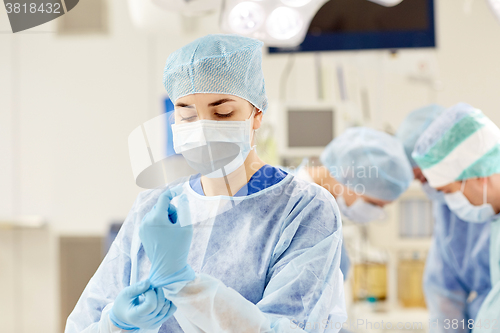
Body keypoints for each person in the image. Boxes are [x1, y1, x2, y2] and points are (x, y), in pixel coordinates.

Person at [65, 34, 347, 333]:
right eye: (186, 114)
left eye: (222, 112)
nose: (202, 128)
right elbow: (84, 324)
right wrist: (117, 324)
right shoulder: (152, 208)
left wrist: (183, 286)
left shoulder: (304, 209)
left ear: (257, 115)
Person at [397, 104, 492, 333]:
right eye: (421, 180)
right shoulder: (450, 206)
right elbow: (444, 290)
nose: (430, 187)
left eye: (426, 176)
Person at [292, 127, 414, 279]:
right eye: (375, 204)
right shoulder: (276, 198)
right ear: (348, 174)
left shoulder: (326, 217)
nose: (378, 213)